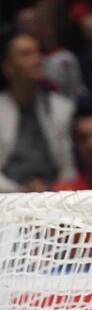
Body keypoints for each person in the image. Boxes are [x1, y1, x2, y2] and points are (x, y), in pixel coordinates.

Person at [0, 29, 74, 193]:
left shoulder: (60, 108)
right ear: (8, 68)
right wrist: (20, 191)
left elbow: (68, 170)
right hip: (7, 198)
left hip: (54, 196)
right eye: (26, 54)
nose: (37, 60)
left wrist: (55, 191)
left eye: (38, 52)